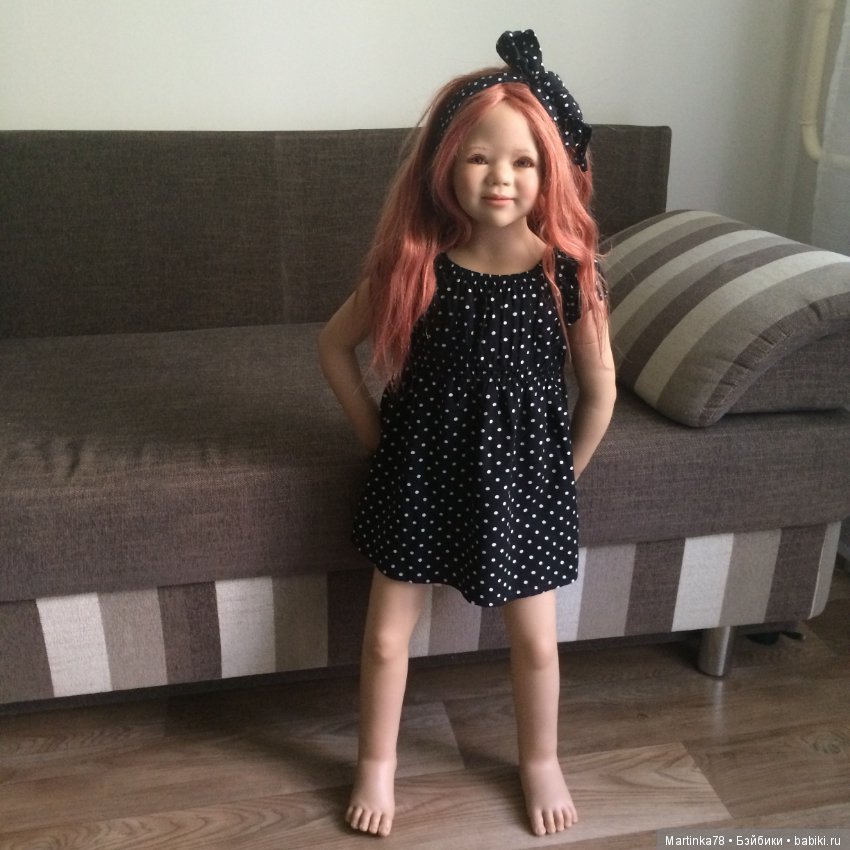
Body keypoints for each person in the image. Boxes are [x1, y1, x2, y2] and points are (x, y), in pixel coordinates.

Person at [318, 29, 616, 838]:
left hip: (523, 492)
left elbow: (599, 394)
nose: (501, 178)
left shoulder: (567, 274)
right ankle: (376, 762)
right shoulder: (412, 262)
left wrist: (557, 480)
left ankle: (539, 759)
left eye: (523, 161)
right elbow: (334, 348)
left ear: (550, 170)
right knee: (386, 640)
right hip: (416, 477)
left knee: (537, 644)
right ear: (446, 164)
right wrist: (376, 440)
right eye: (480, 158)